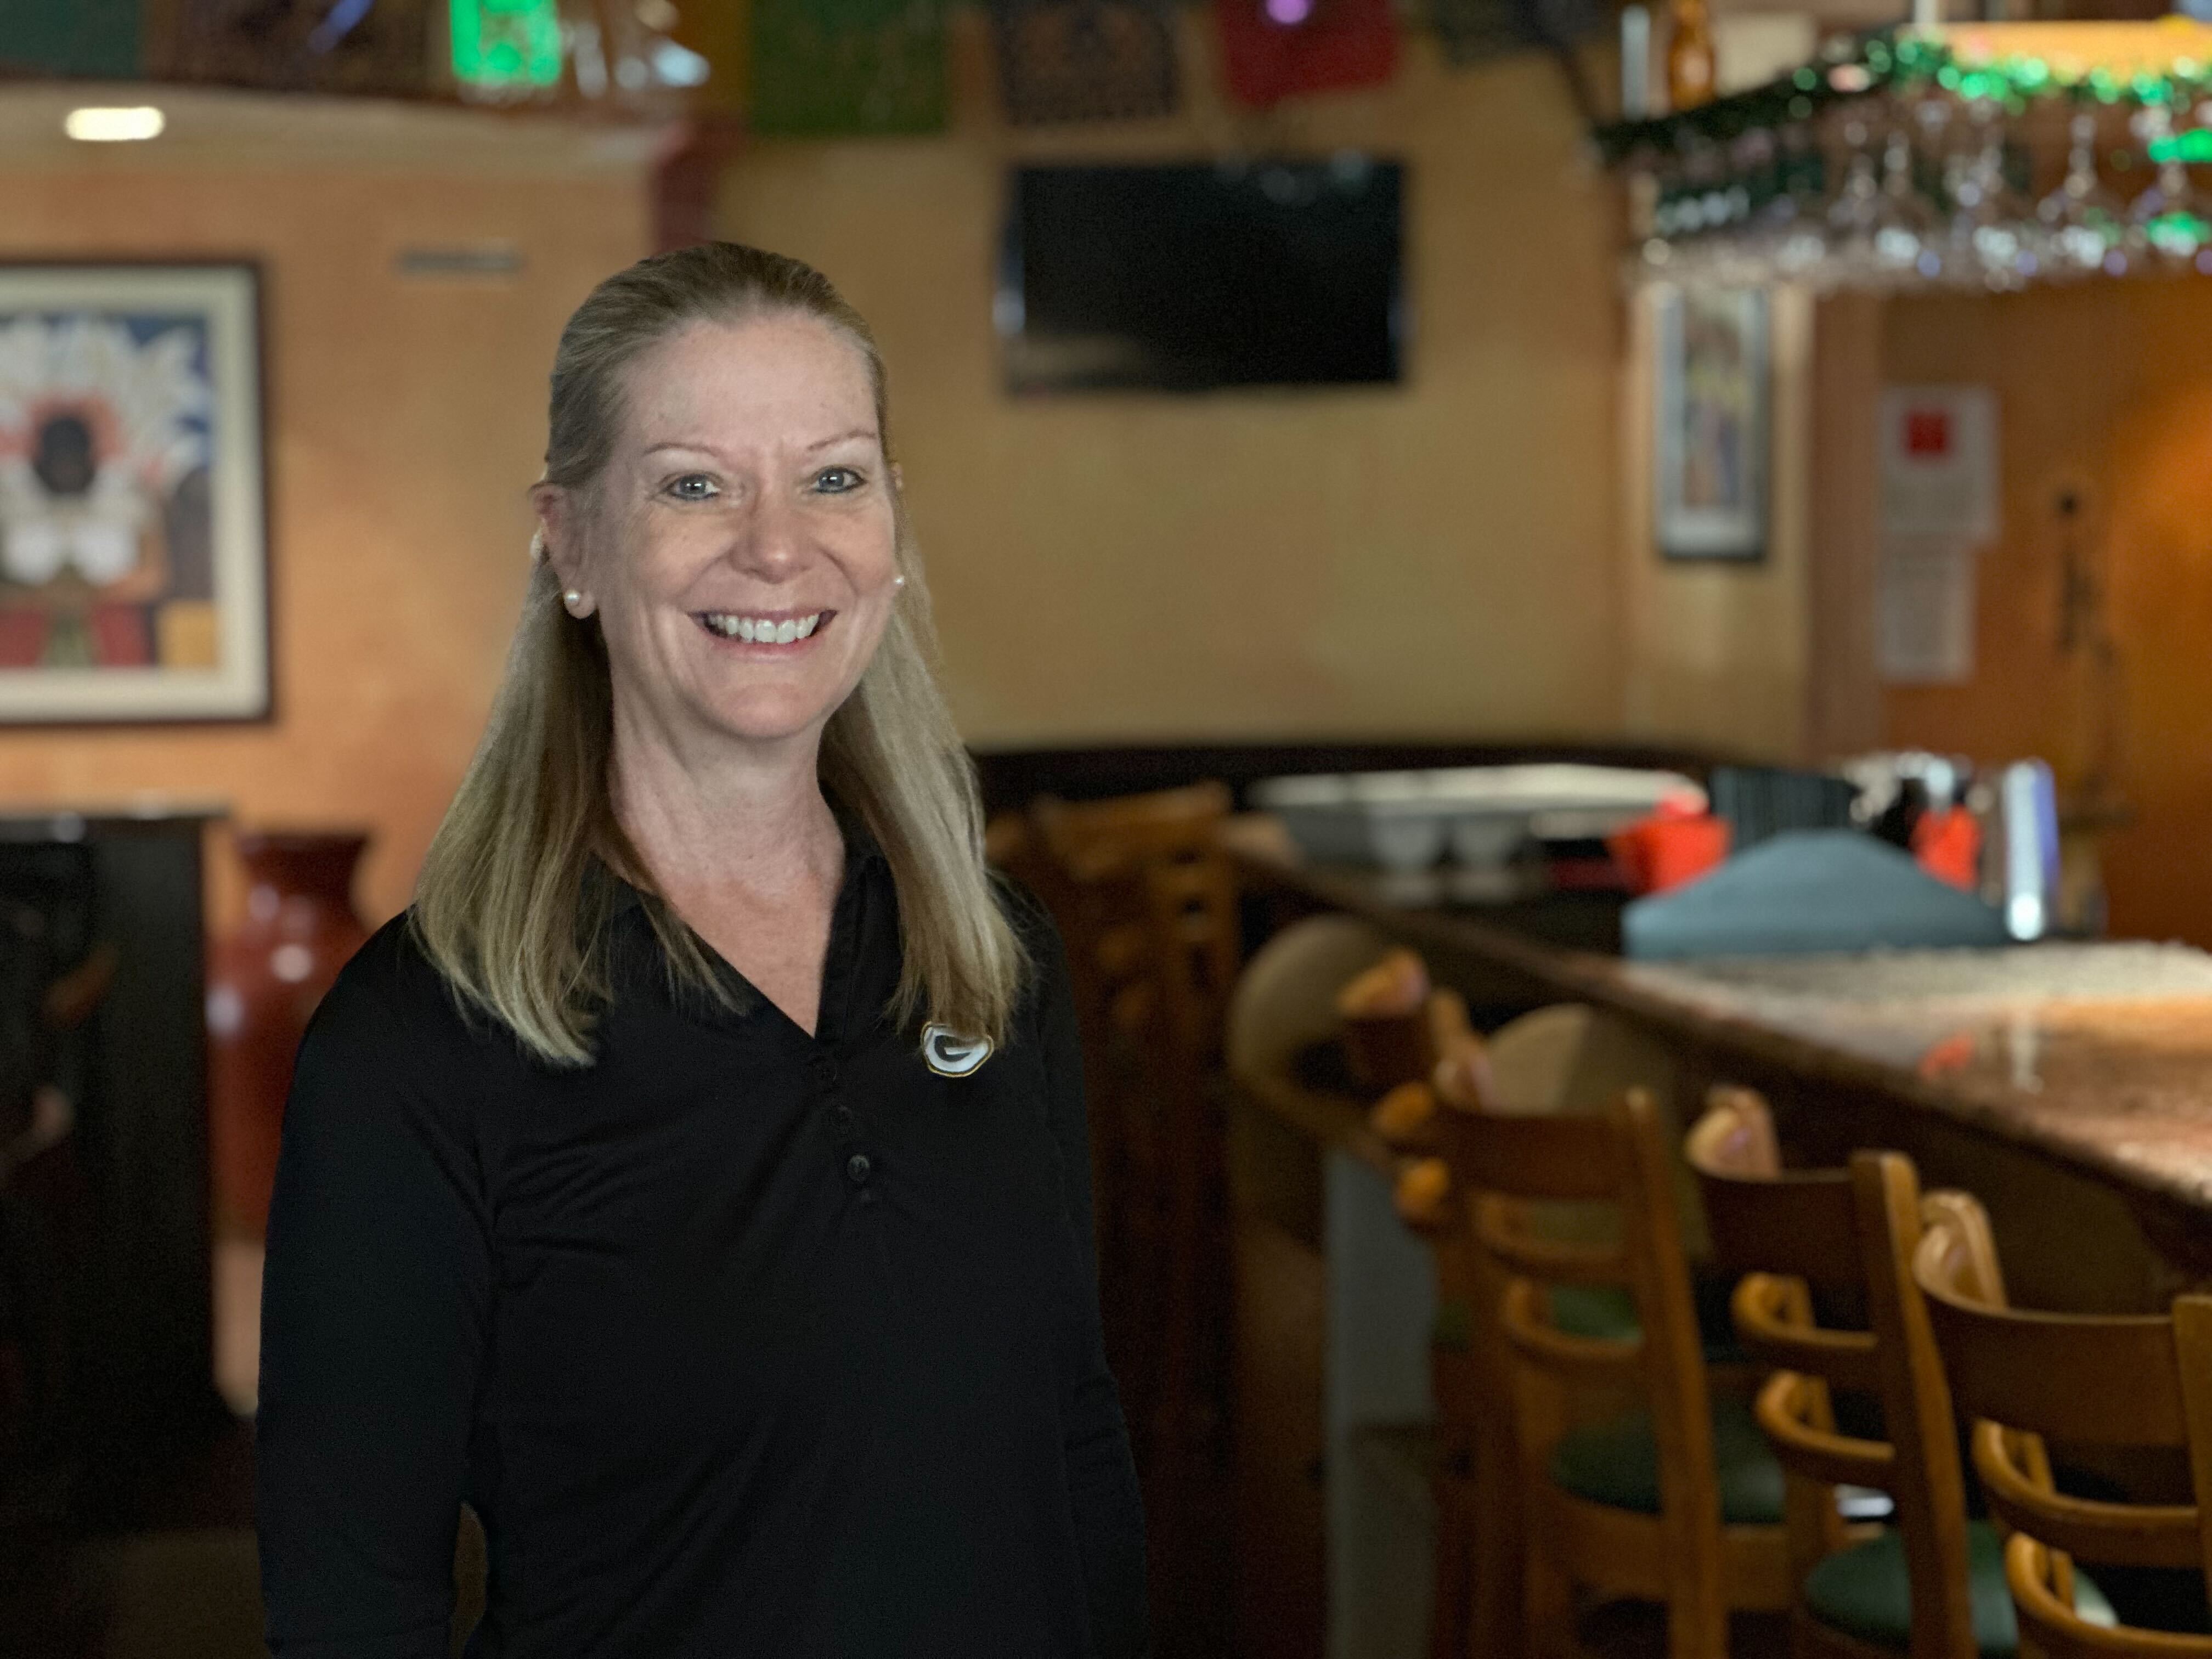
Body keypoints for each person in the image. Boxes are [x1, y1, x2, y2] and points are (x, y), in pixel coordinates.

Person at [255, 243, 1148, 1658]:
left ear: (893, 529)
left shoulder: (992, 960)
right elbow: (350, 1607)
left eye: (833, 477)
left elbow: (1073, 1446)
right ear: (573, 543)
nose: (778, 546)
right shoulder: (418, 1047)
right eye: (693, 484)